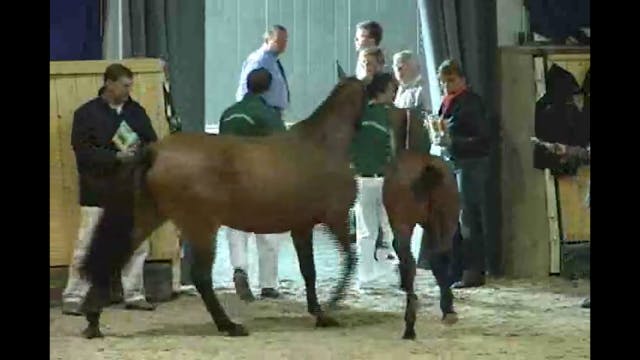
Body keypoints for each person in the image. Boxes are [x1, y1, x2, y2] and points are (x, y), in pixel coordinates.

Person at [62, 63, 158, 315]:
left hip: (130, 187)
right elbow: (84, 153)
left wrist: (139, 154)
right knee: (87, 243)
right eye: (125, 86)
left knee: (138, 244)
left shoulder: (136, 112)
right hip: (97, 189)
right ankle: (74, 296)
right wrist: (117, 158)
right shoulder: (86, 114)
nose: (129, 90)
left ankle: (134, 293)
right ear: (109, 83)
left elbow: (151, 142)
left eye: (130, 86)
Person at [223, 68, 288, 301]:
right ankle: (268, 285)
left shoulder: (228, 114)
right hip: (262, 179)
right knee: (268, 234)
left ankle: (240, 269)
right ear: (268, 88)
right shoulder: (269, 115)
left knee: (236, 230)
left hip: (232, 178)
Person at [433, 59, 492, 289]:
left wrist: (452, 140)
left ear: (463, 80)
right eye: (443, 82)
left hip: (470, 163)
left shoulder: (471, 103)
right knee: (456, 220)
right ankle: (457, 269)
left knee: (468, 219)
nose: (447, 85)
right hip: (455, 161)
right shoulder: (449, 101)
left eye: (451, 80)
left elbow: (483, 138)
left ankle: (473, 270)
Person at [350, 72, 402, 288]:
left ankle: (368, 275)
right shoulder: (382, 114)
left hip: (367, 178)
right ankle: (384, 273)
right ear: (382, 90)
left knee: (370, 230)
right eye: (392, 89)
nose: (394, 93)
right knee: (383, 228)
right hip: (378, 179)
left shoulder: (362, 114)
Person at [236, 24, 290, 119]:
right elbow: (248, 89)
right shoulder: (259, 61)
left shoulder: (272, 61)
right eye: (279, 41)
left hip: (271, 114)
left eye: (285, 40)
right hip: (261, 116)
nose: (283, 44)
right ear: (267, 40)